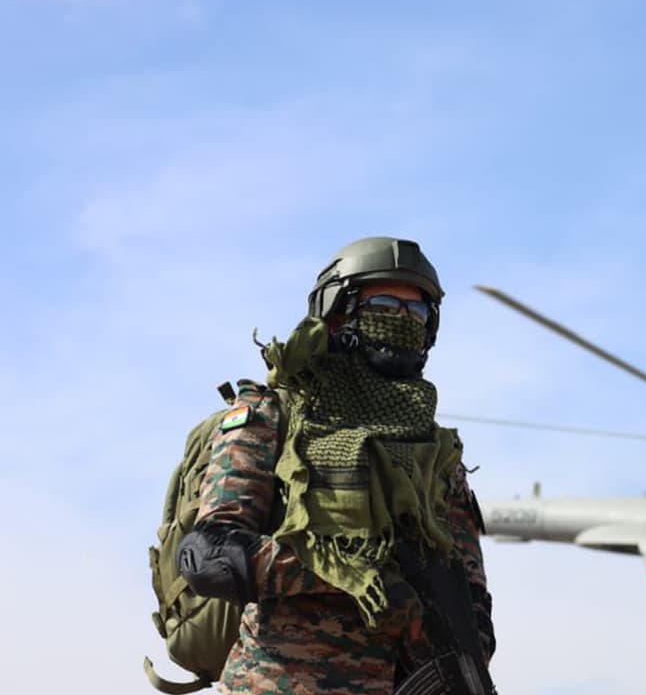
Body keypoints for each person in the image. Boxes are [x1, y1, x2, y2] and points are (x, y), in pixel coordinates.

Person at [176, 237, 496, 694]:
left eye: (417, 312)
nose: (403, 321)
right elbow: (209, 555)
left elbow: (473, 598)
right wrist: (351, 574)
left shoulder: (436, 452)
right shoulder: (272, 414)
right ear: (338, 312)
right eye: (385, 304)